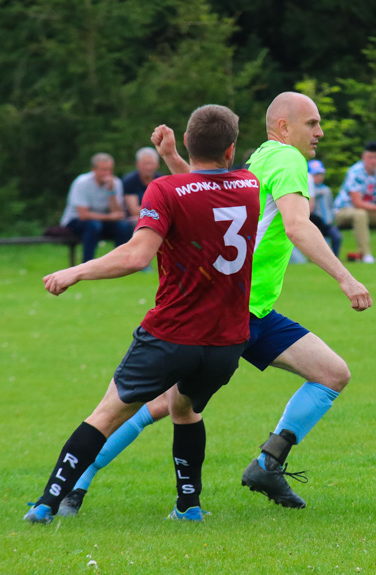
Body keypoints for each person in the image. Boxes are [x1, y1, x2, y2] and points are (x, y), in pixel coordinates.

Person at [54, 92, 372, 517]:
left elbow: (203, 195)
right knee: (157, 405)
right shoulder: (289, 162)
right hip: (230, 311)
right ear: (283, 127)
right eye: (312, 123)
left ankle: (267, 464)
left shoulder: (259, 160)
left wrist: (171, 159)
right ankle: (76, 486)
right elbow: (298, 226)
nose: (320, 132)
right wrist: (346, 277)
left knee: (331, 373)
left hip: (253, 309)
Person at [23, 104, 261, 523]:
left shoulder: (164, 191)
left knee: (106, 414)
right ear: (231, 150)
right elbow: (203, 186)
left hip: (172, 335)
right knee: (185, 409)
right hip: (226, 342)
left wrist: (76, 271)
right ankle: (188, 507)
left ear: (188, 140)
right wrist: (174, 158)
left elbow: (137, 256)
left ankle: (46, 503)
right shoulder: (247, 184)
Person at [60, 153, 134, 262]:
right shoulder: (82, 183)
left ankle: (119, 263)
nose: (107, 173)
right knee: (94, 225)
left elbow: (118, 214)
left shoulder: (115, 183)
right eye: (103, 170)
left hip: (101, 222)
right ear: (93, 169)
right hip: (75, 222)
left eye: (110, 170)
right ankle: (87, 263)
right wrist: (110, 217)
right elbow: (83, 215)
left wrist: (112, 192)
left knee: (123, 226)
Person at [308, 159, 343, 257]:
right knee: (323, 245)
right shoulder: (308, 190)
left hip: (327, 222)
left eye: (321, 174)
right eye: (316, 175)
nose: (319, 177)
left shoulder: (327, 190)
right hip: (315, 223)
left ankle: (336, 258)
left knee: (337, 237)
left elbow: (330, 205)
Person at [122, 147, 163, 221]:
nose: (148, 167)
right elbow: (134, 211)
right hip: (135, 219)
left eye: (151, 163)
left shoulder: (162, 181)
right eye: (145, 164)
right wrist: (157, 209)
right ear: (138, 164)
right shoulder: (130, 181)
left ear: (157, 165)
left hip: (156, 217)